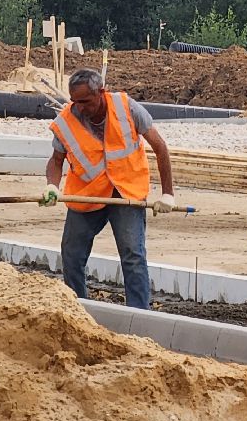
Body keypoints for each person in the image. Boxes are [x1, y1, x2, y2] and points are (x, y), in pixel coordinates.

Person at [43, 68, 176, 310]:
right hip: (87, 195)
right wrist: (52, 186)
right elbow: (56, 160)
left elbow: (160, 147)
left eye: (85, 101)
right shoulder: (66, 120)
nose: (80, 107)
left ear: (100, 92)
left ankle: (139, 315)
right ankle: (79, 308)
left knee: (133, 255)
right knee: (71, 255)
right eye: (75, 101)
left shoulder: (127, 107)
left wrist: (168, 193)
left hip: (126, 193)